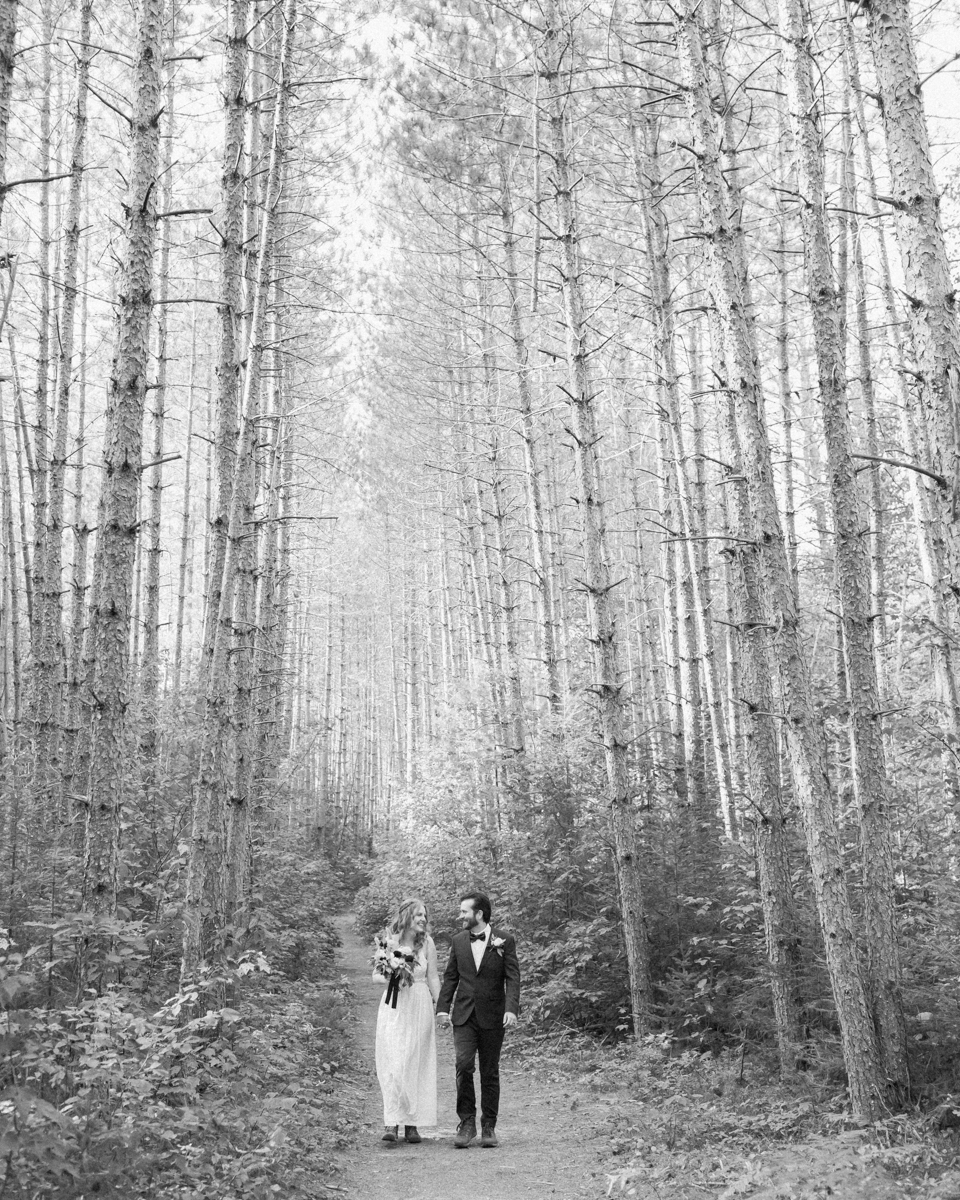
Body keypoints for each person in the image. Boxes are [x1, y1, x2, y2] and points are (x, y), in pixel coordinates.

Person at [435, 891, 521, 1149]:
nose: (459, 915)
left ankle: (489, 1126)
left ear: (479, 914)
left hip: (494, 1015)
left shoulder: (504, 940)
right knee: (463, 1065)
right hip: (463, 1014)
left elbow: (512, 977)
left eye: (464, 911)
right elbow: (451, 977)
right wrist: (442, 1009)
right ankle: (467, 1122)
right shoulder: (458, 941)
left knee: (489, 1070)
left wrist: (511, 1009)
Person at [373, 898, 440, 1144]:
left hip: (420, 1004)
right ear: (407, 917)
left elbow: (433, 977)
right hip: (394, 1005)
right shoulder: (389, 941)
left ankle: (412, 1123)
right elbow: (375, 977)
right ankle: (392, 1120)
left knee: (414, 1060)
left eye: (425, 915)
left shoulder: (428, 944)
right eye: (419, 915)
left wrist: (442, 1008)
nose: (423, 919)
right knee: (393, 1060)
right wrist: (392, 973)